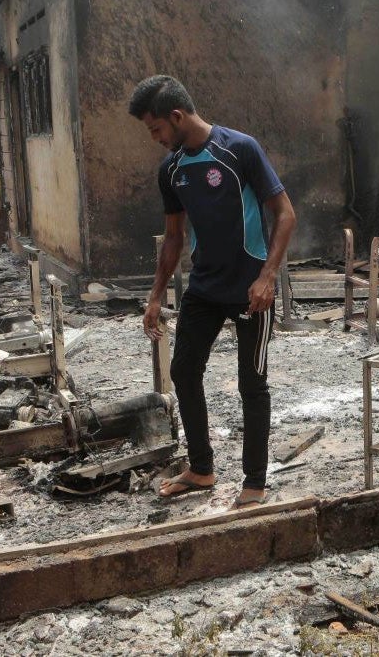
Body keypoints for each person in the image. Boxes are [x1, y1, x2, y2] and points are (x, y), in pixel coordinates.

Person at [130, 75, 296, 509]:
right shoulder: (170, 170)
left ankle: (255, 482)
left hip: (250, 291)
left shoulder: (239, 149)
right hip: (204, 288)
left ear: (177, 116)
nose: (155, 139)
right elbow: (173, 238)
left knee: (251, 383)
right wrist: (155, 297)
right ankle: (202, 469)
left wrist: (268, 276)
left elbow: (285, 214)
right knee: (184, 372)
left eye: (156, 129)